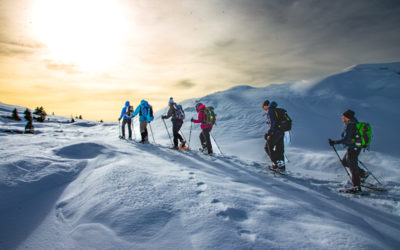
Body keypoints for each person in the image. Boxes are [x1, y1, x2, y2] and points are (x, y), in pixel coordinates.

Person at [329, 109, 369, 193]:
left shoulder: (350, 125)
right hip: (353, 147)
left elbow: (347, 139)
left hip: (353, 148)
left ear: (347, 117)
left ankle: (357, 188)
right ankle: (362, 174)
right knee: (345, 162)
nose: (342, 118)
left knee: (353, 167)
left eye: (343, 116)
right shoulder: (353, 123)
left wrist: (335, 142)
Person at [262, 100, 285, 171]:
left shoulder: (270, 111)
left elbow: (273, 123)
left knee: (267, 147)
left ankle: (276, 163)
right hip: (281, 132)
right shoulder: (276, 110)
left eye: (263, 107)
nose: (264, 109)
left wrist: (268, 133)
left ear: (266, 106)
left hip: (275, 132)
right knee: (279, 150)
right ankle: (282, 168)